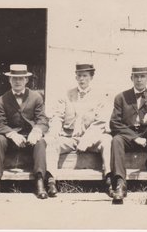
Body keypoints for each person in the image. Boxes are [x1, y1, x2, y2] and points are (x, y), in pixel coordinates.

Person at [0, 64, 56, 201]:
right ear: (9, 80)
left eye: (21, 79)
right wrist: (11, 134)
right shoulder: (1, 100)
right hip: (11, 140)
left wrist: (36, 130)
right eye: (14, 79)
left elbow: (43, 120)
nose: (17, 82)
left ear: (26, 80)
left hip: (31, 139)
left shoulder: (36, 97)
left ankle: (39, 181)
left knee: (41, 142)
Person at [46, 64, 113, 196]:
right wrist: (53, 133)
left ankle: (109, 178)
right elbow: (58, 117)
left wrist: (86, 139)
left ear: (91, 77)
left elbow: (100, 121)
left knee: (107, 140)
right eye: (79, 75)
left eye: (85, 76)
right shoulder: (66, 94)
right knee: (51, 143)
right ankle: (51, 181)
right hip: (69, 137)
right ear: (75, 76)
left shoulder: (100, 96)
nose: (82, 79)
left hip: (90, 138)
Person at [109, 66, 147, 201]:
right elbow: (114, 123)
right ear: (131, 78)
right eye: (136, 76)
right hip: (129, 136)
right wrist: (135, 138)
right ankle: (120, 183)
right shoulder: (121, 97)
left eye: (142, 76)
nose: (139, 80)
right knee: (116, 140)